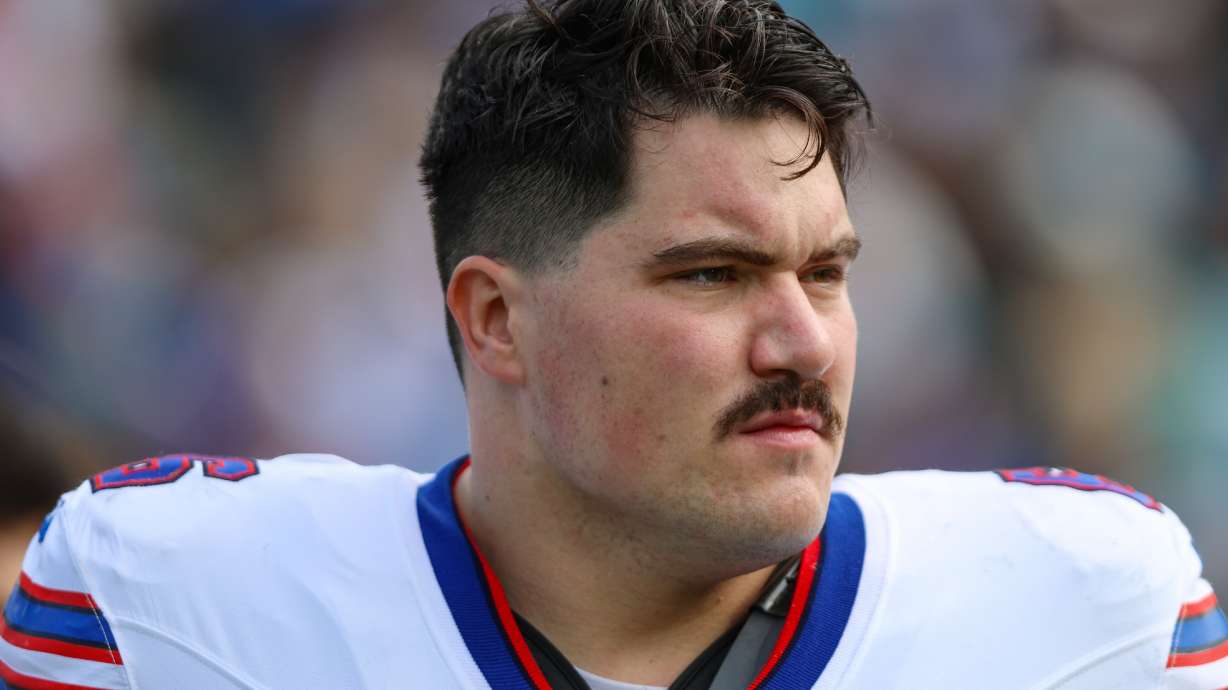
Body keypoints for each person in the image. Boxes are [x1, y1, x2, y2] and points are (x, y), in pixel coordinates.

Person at [2, 1, 1225, 688]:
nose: (801, 337)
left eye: (828, 272)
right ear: (494, 318)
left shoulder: (1088, 606)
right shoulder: (165, 602)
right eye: (713, 274)